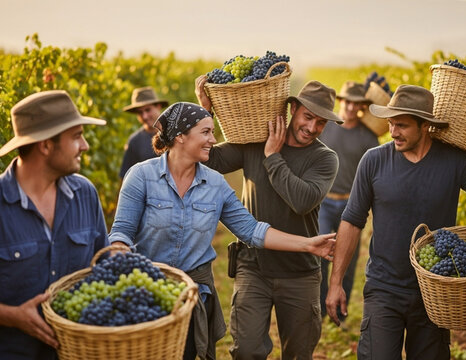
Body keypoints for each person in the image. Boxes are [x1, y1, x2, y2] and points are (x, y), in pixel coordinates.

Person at [108, 102, 336, 360]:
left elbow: (252, 230)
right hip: (146, 290)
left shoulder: (215, 184)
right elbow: (122, 231)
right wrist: (119, 250)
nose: (213, 140)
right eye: (206, 132)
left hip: (192, 295)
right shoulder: (140, 176)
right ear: (181, 136)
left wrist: (307, 244)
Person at [325, 84, 466, 359]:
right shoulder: (374, 161)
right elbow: (351, 221)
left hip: (436, 294)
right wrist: (335, 284)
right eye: (391, 124)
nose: (393, 132)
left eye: (402, 125)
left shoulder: (454, 161)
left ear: (425, 126)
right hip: (384, 290)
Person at [0, 90, 109, 359]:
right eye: (76, 136)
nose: (85, 146)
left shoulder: (84, 195)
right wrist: (13, 317)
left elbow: (103, 264)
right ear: (45, 145)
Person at [195, 77, 341, 359]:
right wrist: (206, 112)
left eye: (321, 122)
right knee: (246, 350)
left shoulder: (325, 158)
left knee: (298, 353)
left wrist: (273, 157)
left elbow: (302, 201)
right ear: (293, 108)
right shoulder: (253, 142)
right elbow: (207, 159)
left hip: (301, 273)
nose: (312, 128)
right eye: (308, 117)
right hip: (253, 267)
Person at [318, 81, 379, 323]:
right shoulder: (325, 127)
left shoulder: (368, 137)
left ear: (362, 106)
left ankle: (339, 314)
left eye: (357, 103)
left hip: (351, 207)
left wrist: (375, 214)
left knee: (348, 262)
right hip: (323, 203)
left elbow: (375, 177)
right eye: (348, 101)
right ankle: (320, 308)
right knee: (319, 255)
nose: (351, 107)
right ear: (341, 101)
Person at [119, 86, 168, 178]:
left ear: (158, 106)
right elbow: (126, 177)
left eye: (147, 110)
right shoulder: (135, 141)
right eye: (140, 113)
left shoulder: (175, 134)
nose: (144, 116)